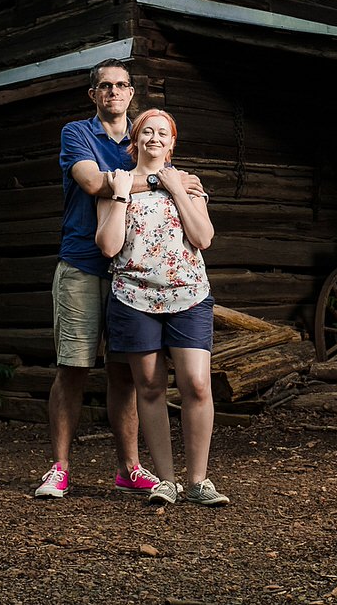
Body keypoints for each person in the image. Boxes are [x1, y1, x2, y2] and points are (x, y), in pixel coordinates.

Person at [32, 58, 156, 499]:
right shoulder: (77, 133)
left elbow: (147, 171)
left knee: (123, 373)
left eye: (121, 85)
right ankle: (60, 468)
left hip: (130, 271)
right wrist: (165, 183)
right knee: (73, 368)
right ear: (94, 95)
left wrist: (150, 180)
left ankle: (129, 469)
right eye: (105, 86)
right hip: (82, 265)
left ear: (131, 93)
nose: (113, 92)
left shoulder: (140, 138)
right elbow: (91, 183)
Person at [97, 108, 229, 506]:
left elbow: (203, 237)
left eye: (163, 133)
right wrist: (121, 194)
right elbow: (108, 246)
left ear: (173, 143)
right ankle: (167, 481)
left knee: (197, 384)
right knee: (150, 387)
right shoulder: (115, 182)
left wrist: (174, 189)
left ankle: (199, 481)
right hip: (134, 298)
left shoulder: (188, 183)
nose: (155, 138)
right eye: (147, 132)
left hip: (188, 295)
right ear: (134, 141)